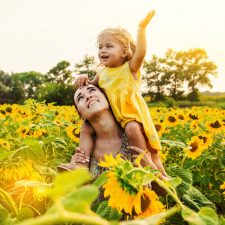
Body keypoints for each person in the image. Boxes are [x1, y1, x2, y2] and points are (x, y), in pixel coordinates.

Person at [68, 10, 167, 178]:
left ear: (124, 50)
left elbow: (141, 53)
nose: (102, 50)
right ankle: (80, 165)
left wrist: (141, 29)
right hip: (118, 116)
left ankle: (153, 171)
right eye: (100, 47)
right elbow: (90, 87)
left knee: (143, 141)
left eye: (109, 46)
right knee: (123, 130)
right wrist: (82, 77)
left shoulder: (129, 69)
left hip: (133, 115)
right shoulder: (102, 73)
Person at [58, 84, 155, 177]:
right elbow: (83, 183)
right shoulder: (87, 141)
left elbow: (157, 184)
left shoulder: (133, 131)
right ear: (81, 114)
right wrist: (76, 168)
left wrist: (150, 170)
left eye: (92, 90)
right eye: (80, 98)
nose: (88, 97)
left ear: (108, 99)